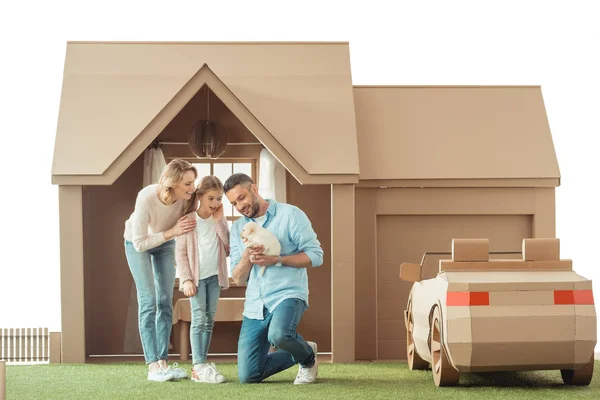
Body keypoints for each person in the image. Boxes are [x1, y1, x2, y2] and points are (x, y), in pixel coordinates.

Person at [223, 173, 324, 384]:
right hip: (255, 303)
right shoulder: (238, 229)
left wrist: (277, 259)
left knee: (279, 335)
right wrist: (247, 256)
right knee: (249, 376)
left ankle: (307, 361)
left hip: (287, 293)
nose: (239, 206)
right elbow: (238, 278)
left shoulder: (290, 215)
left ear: (254, 189)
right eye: (233, 203)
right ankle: (304, 348)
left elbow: (316, 256)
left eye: (241, 198)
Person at [124, 159, 198, 382]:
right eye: (187, 183)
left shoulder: (188, 199)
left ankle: (163, 362)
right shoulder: (146, 197)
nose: (192, 187)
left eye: (193, 182)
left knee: (165, 301)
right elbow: (139, 243)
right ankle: (152, 366)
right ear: (173, 183)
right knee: (149, 299)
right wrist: (172, 231)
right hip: (138, 243)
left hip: (165, 243)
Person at [175, 176, 230, 383]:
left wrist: (219, 222)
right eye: (211, 198)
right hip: (197, 280)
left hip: (215, 278)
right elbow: (180, 254)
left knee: (208, 322)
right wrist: (187, 279)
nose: (215, 203)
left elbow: (228, 247)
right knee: (198, 320)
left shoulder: (219, 220)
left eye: (218, 199)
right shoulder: (188, 220)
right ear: (200, 196)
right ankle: (198, 367)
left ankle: (203, 364)